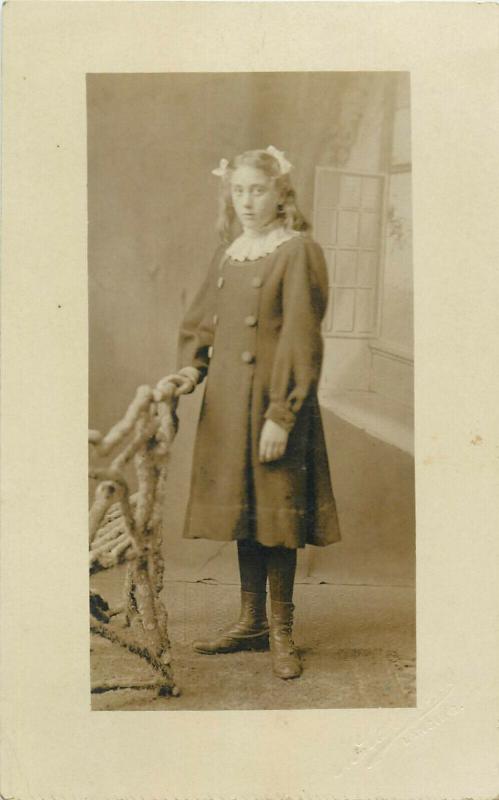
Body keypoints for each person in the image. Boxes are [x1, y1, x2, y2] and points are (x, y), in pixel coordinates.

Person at [160, 146, 341, 680]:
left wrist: (282, 414)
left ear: (279, 193)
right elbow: (204, 325)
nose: (246, 201)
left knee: (277, 513)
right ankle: (250, 622)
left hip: (272, 404)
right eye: (238, 190)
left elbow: (302, 340)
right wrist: (191, 371)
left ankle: (282, 632)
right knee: (246, 510)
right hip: (228, 406)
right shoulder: (230, 252)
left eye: (257, 190)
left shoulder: (296, 251)